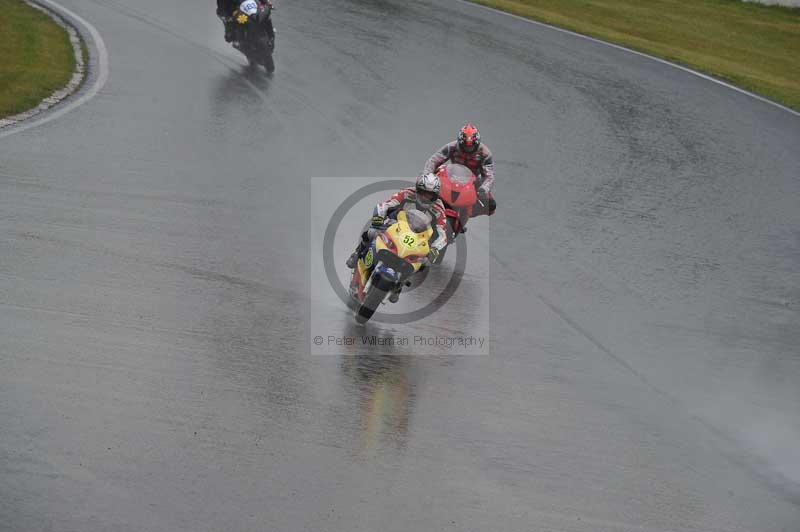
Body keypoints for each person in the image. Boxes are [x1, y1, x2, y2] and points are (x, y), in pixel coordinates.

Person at [346, 174, 448, 302]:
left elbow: (443, 234)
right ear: (417, 190)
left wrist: (435, 249)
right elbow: (384, 205)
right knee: (371, 233)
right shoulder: (407, 193)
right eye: (423, 193)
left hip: (418, 237)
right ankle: (357, 254)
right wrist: (377, 221)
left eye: (430, 195)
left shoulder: (439, 208)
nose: (425, 197)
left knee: (423, 263)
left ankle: (400, 283)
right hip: (395, 226)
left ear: (436, 196)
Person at [422, 123, 496, 217]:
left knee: (491, 206)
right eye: (465, 146)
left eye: (471, 147)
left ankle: (465, 215)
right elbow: (434, 160)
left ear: (477, 144)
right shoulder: (451, 147)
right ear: (460, 143)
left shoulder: (485, 153)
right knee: (425, 187)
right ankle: (425, 207)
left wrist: (484, 189)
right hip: (452, 175)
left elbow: (489, 175)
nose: (468, 149)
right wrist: (427, 175)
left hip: (473, 181)